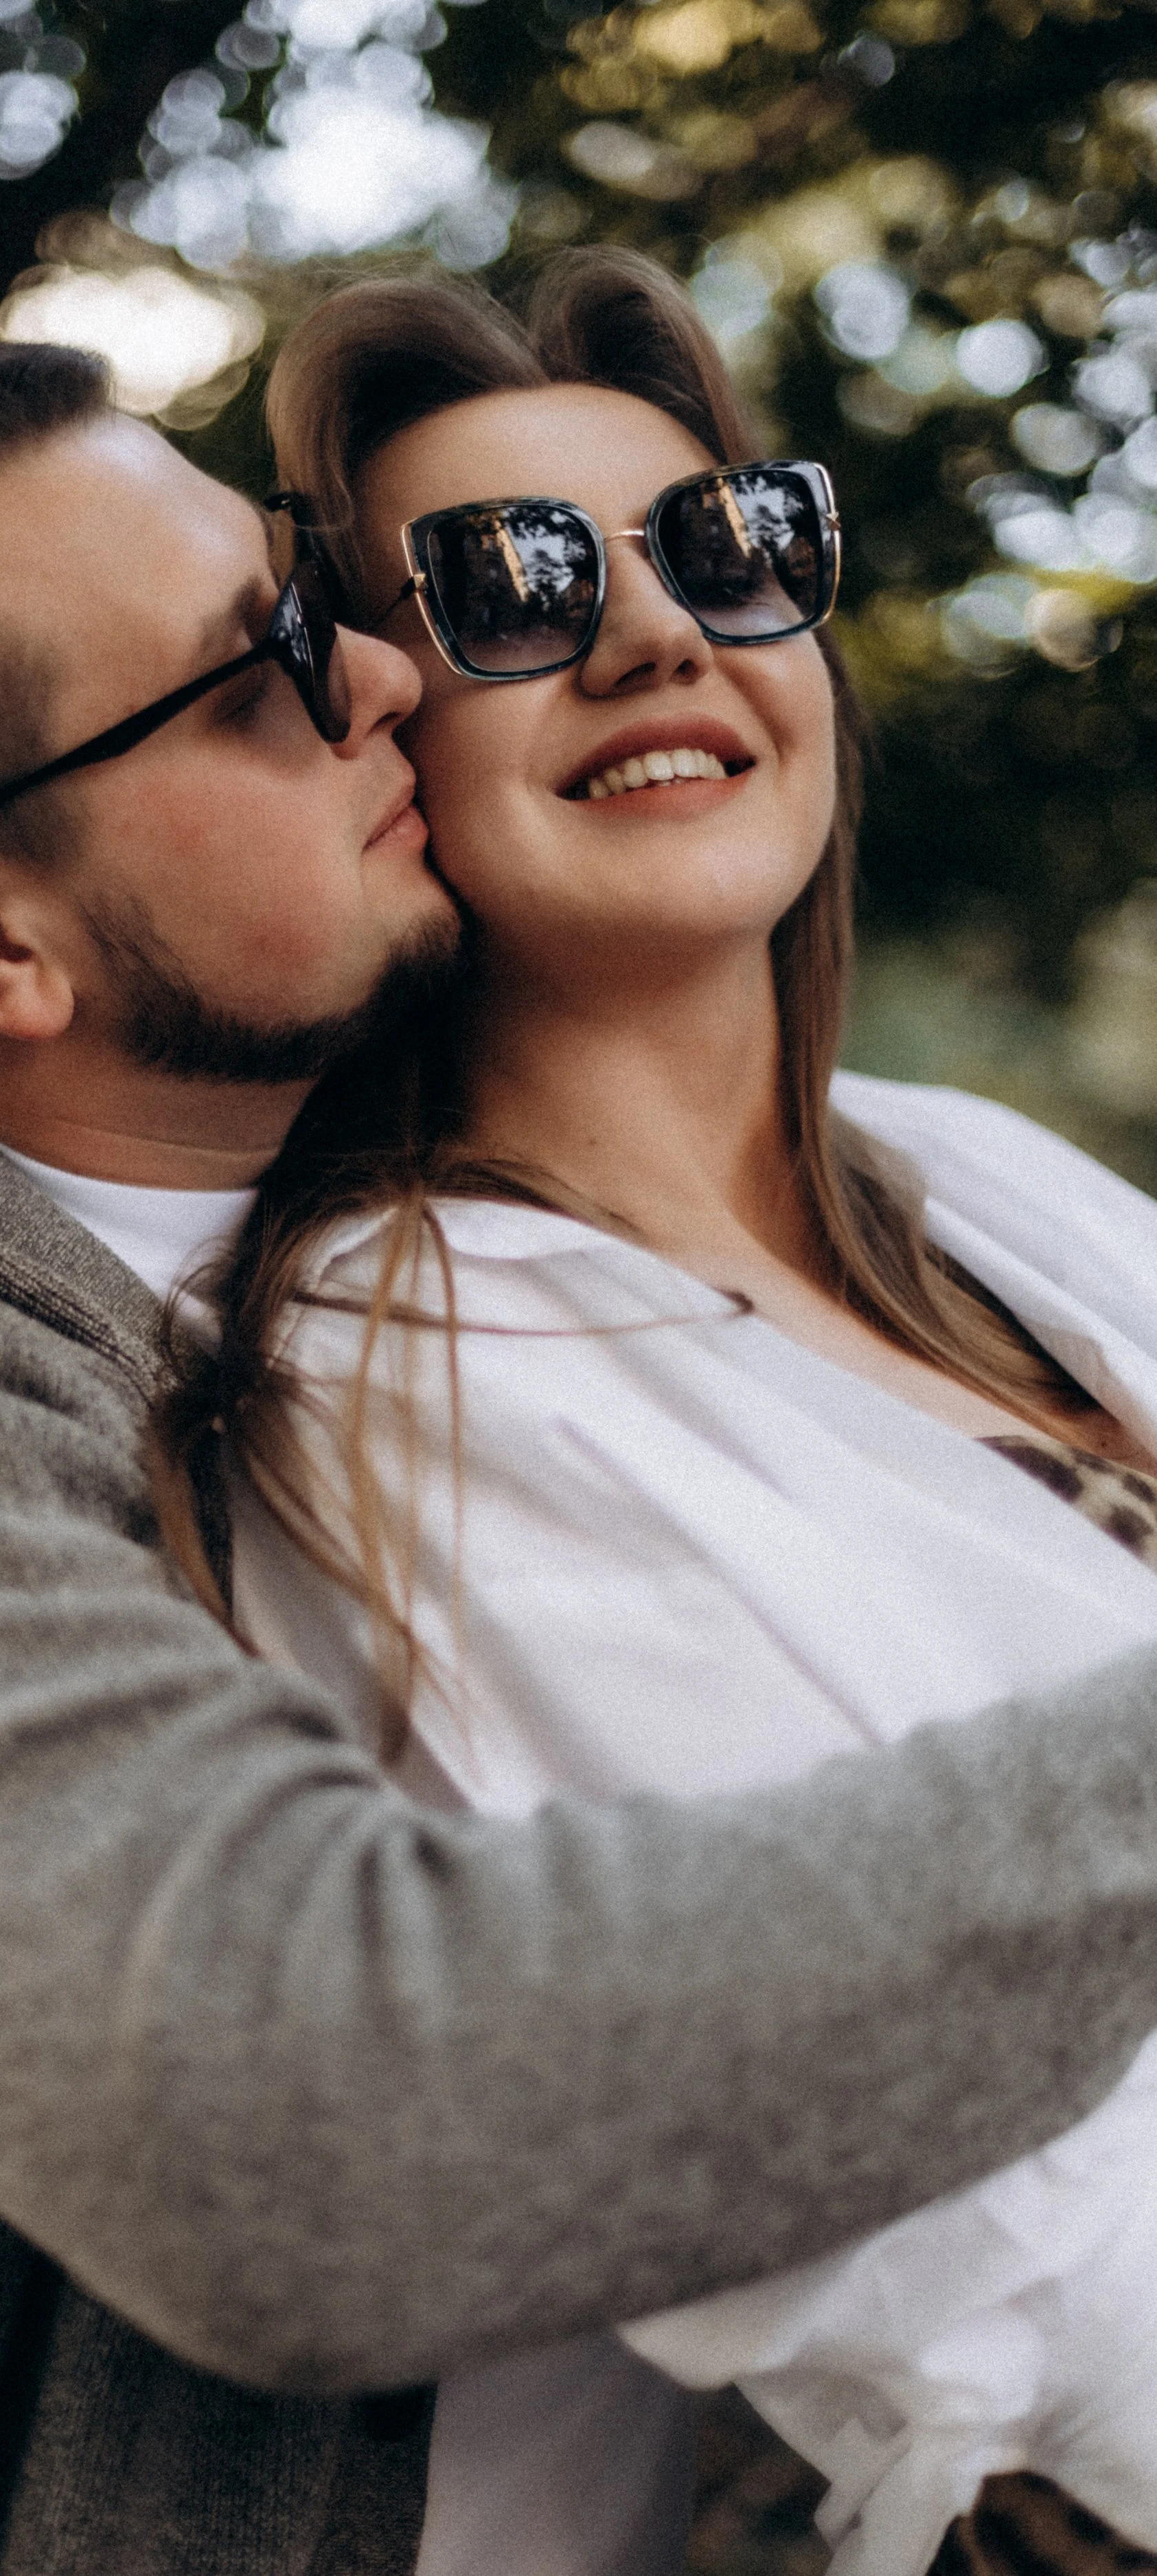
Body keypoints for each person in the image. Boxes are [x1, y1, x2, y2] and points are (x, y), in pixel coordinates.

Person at [0, 333, 1157, 2576]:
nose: (384, 673)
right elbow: (309, 2122)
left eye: (318, 596)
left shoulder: (714, 1188)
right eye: (255, 669)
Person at [148, 250, 1157, 2576]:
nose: (653, 637)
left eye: (731, 548)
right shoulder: (393, 1368)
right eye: (509, 589)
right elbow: (970, 2251)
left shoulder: (975, 1183)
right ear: (364, 739)